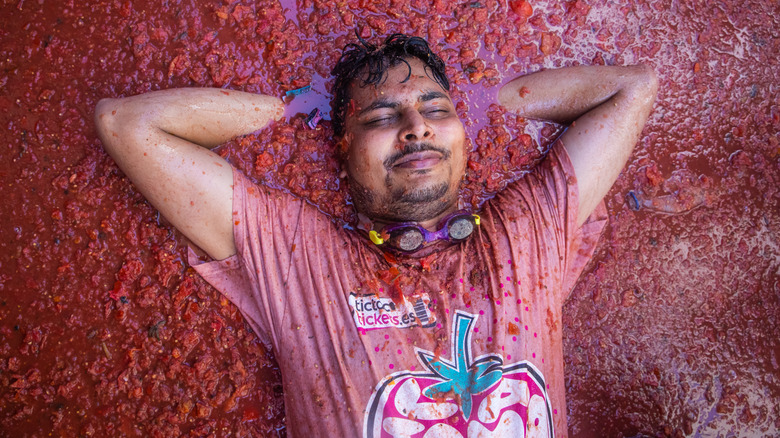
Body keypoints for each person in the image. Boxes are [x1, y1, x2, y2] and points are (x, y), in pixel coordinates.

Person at [95, 34, 656, 437]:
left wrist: (488, 104)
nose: (417, 126)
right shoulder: (300, 257)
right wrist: (296, 111)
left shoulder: (525, 232)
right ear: (341, 150)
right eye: (382, 117)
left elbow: (632, 89)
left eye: (436, 108)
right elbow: (128, 125)